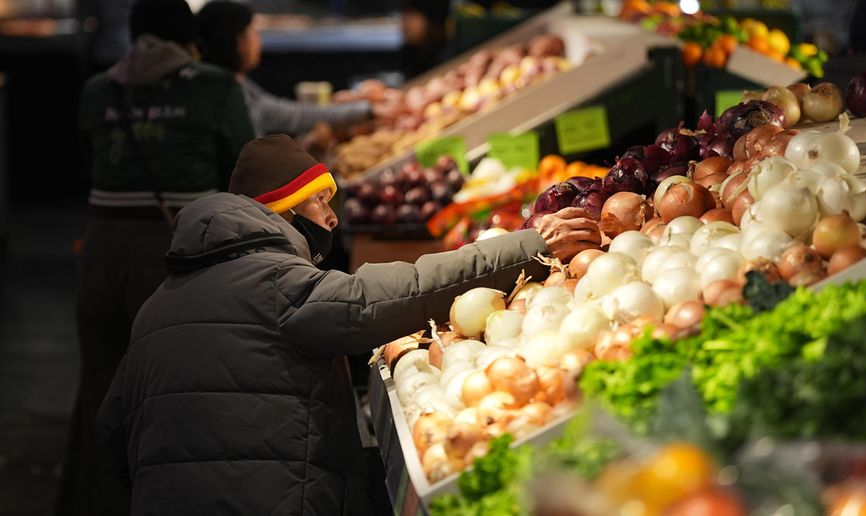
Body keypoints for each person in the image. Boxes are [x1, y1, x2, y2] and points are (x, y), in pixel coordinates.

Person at [95, 134, 600, 515]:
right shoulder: (273, 282)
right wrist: (524, 248)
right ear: (284, 211)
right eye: (320, 201)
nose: (332, 218)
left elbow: (111, 432)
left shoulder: (156, 306)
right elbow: (382, 296)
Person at [56, 0, 254, 514]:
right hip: (174, 256)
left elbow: (84, 164)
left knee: (101, 387)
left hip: (100, 252)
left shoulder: (97, 90)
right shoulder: (215, 87)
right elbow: (245, 171)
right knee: (171, 395)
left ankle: (94, 503)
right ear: (191, 41)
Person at [197, 1, 391, 137]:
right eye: (253, 33)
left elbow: (286, 112)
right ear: (239, 42)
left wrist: (366, 109)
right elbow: (291, 115)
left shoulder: (231, 85)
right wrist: (368, 110)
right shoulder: (229, 96)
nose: (259, 41)